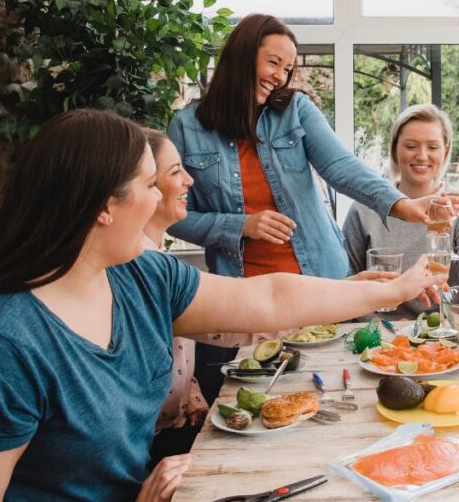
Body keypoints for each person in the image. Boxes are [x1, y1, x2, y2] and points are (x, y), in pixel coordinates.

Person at [0, 109, 442, 501]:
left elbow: (269, 298)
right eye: (151, 186)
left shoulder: (140, 275)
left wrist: (392, 290)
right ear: (104, 207)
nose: (163, 199)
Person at [142, 129, 398, 461]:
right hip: (148, 443)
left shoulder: (158, 259)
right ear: (141, 185)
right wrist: (380, 291)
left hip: (175, 424)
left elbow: (179, 335)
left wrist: (189, 393)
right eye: (176, 171)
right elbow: (261, 307)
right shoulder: (143, 267)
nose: (190, 180)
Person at [167, 13, 432, 280]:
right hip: (244, 291)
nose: (280, 77)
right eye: (274, 62)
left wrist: (401, 205)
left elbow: (340, 166)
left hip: (320, 279)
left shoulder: (295, 110)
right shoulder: (186, 128)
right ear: (242, 56)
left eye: (287, 69)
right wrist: (241, 225)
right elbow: (174, 216)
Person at [343, 104, 459, 318]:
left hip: (444, 329)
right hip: (379, 330)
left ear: (446, 150)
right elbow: (348, 285)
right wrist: (378, 330)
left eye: (432, 147)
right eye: (411, 146)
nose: (422, 156)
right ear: (394, 149)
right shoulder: (365, 209)